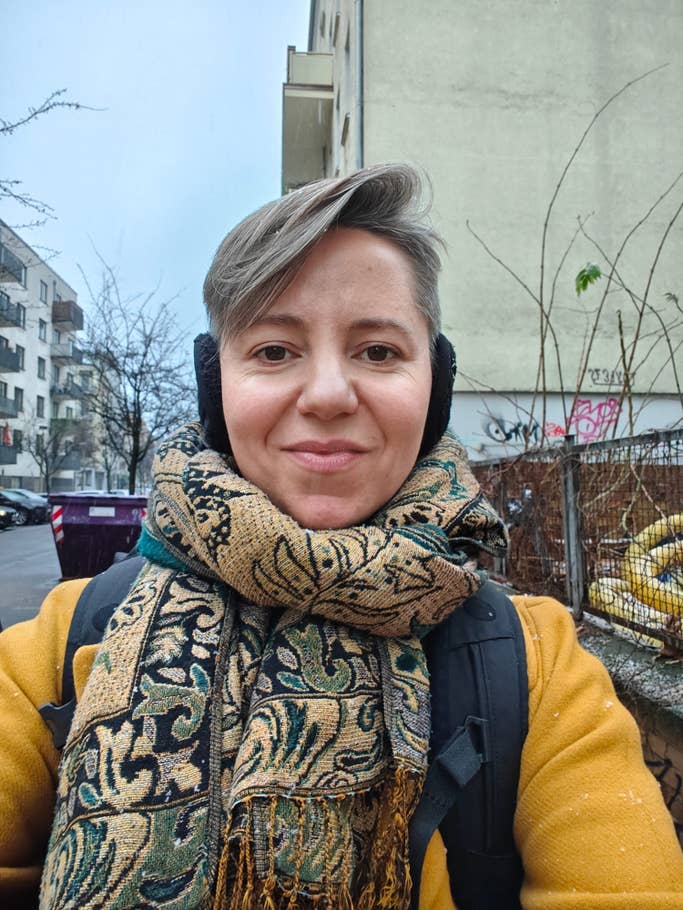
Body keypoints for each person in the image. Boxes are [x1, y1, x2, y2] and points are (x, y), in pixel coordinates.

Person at [1, 164, 681, 910]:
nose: (327, 394)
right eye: (273, 351)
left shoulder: (537, 669)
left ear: (435, 384)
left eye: (378, 351)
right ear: (214, 384)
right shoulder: (64, 645)